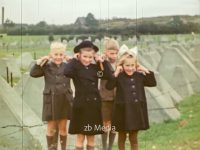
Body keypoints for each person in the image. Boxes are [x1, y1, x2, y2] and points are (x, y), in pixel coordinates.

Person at [106, 45, 157, 150]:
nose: (130, 68)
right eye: (127, 65)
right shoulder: (119, 76)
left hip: (136, 111)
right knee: (122, 137)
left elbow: (152, 83)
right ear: (122, 65)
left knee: (134, 138)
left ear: (136, 65)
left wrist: (144, 69)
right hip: (122, 111)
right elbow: (109, 86)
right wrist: (116, 72)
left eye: (132, 65)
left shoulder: (139, 76)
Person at [64, 40, 112, 150]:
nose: (87, 59)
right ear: (79, 55)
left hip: (94, 106)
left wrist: (102, 62)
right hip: (80, 105)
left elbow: (108, 76)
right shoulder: (75, 68)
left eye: (90, 57)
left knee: (91, 137)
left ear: (93, 57)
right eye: (84, 56)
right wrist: (73, 60)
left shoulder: (96, 69)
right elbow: (66, 72)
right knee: (80, 136)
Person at [30, 42, 73, 150]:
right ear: (51, 54)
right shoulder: (46, 66)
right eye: (56, 54)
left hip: (65, 100)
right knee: (51, 128)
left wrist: (73, 62)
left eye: (61, 55)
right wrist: (39, 62)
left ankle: (63, 148)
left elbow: (78, 72)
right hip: (51, 100)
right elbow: (33, 73)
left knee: (63, 128)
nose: (58, 57)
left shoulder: (68, 66)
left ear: (64, 55)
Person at [99, 38, 119, 150]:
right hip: (105, 97)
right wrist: (101, 61)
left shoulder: (120, 63)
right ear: (106, 51)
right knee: (105, 124)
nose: (114, 55)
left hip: (117, 97)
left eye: (116, 53)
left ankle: (110, 147)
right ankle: (104, 147)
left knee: (114, 125)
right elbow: (100, 74)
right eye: (111, 53)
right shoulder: (102, 63)